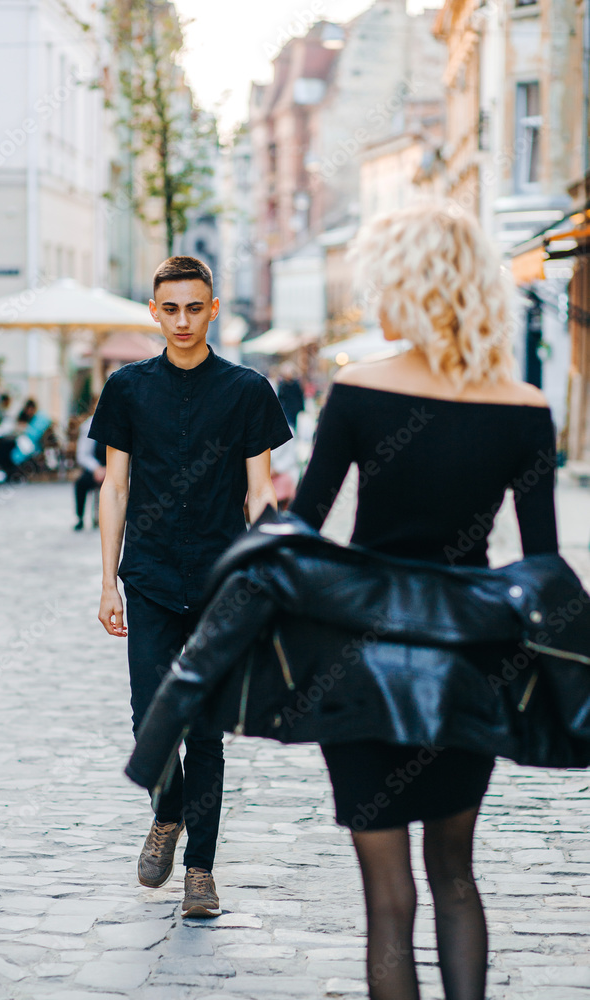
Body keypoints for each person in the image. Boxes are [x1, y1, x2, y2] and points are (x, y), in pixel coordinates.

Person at [288, 203, 558, 1000]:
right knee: (456, 876)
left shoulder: (359, 391)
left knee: (387, 898)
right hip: (466, 664)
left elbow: (302, 534)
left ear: (397, 280)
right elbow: (539, 567)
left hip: (363, 661)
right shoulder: (524, 407)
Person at [89, 256, 292, 918]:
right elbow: (114, 486)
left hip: (218, 579)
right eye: (169, 308)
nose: (181, 320)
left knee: (205, 726)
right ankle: (167, 813)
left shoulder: (246, 390)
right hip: (147, 577)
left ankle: (199, 870)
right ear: (155, 311)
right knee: (150, 715)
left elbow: (261, 492)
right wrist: (106, 582)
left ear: (211, 309)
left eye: (193, 308)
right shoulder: (126, 388)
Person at [74, 404, 106, 530]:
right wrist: (97, 468)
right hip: (97, 467)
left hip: (118, 469)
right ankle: (80, 518)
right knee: (81, 483)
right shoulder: (89, 425)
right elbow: (82, 455)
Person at [277, 362, 305, 430]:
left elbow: (300, 397)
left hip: (295, 408)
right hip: (287, 408)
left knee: (295, 425)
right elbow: (280, 398)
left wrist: (302, 408)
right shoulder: (282, 385)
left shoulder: (296, 384)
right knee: (289, 424)